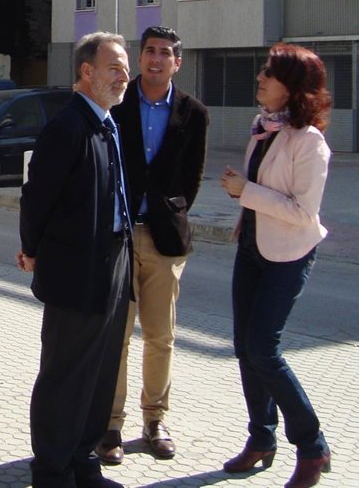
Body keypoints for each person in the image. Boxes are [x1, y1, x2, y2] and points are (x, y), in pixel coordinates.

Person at [18, 32, 133, 488]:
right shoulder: (67, 127)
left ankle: (83, 461)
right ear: (87, 71)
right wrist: (31, 249)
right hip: (76, 269)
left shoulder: (107, 124)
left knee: (100, 371)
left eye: (125, 69)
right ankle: (51, 471)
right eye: (114, 68)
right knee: (65, 375)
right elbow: (37, 198)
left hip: (114, 261)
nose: (124, 76)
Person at [219, 43, 333, 488]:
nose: (260, 78)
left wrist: (245, 191)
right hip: (251, 247)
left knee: (264, 349)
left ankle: (312, 446)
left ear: (293, 86)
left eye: (270, 73)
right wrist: (244, 190)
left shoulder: (310, 143)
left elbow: (304, 212)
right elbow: (262, 190)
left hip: (288, 254)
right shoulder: (263, 128)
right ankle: (261, 438)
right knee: (244, 348)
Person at [96, 27, 209, 466]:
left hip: (164, 241)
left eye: (165, 53)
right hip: (119, 237)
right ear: (139, 57)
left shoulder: (193, 113)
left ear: (177, 62)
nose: (155, 59)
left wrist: (166, 212)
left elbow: (191, 180)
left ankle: (155, 420)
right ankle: (110, 424)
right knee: (117, 337)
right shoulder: (117, 104)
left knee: (160, 336)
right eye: (149, 51)